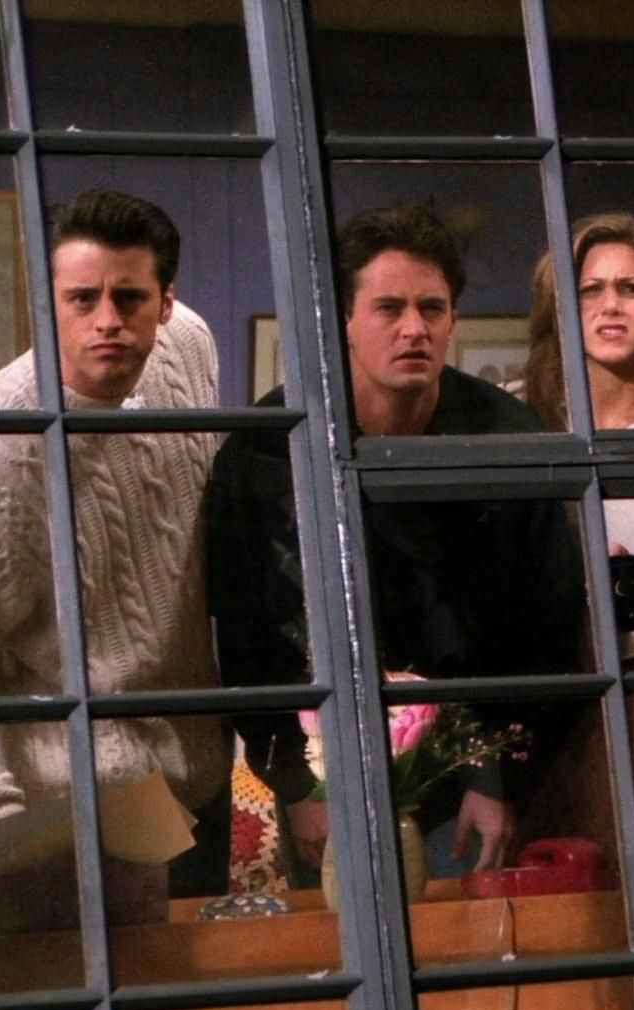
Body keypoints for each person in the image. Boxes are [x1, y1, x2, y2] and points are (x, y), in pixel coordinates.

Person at [207, 203, 585, 888]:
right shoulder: (267, 449)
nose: (414, 328)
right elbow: (244, 637)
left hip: (470, 771)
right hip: (326, 768)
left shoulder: (507, 439)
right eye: (389, 308)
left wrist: (499, 778)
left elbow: (549, 632)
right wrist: (297, 784)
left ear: (453, 320)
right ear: (343, 320)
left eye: (431, 308)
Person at [0, 189, 232, 934]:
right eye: (82, 299)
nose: (107, 319)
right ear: (46, 306)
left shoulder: (190, 347)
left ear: (167, 303)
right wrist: (6, 836)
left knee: (204, 1001)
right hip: (77, 809)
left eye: (130, 297)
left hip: (197, 777)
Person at [518, 213, 634, 882]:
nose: (610, 305)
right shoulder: (521, 421)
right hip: (543, 695)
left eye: (630, 289)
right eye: (591, 289)